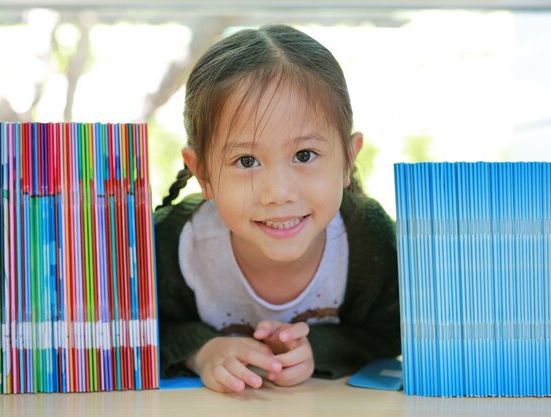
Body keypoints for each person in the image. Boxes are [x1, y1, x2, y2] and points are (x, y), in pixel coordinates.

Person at [155, 24, 400, 393]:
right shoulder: (174, 243)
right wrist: (202, 349)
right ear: (202, 173)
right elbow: (127, 333)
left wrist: (318, 349)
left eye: (304, 155)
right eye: (247, 160)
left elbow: (394, 332)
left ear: (348, 159)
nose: (279, 193)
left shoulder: (368, 237)